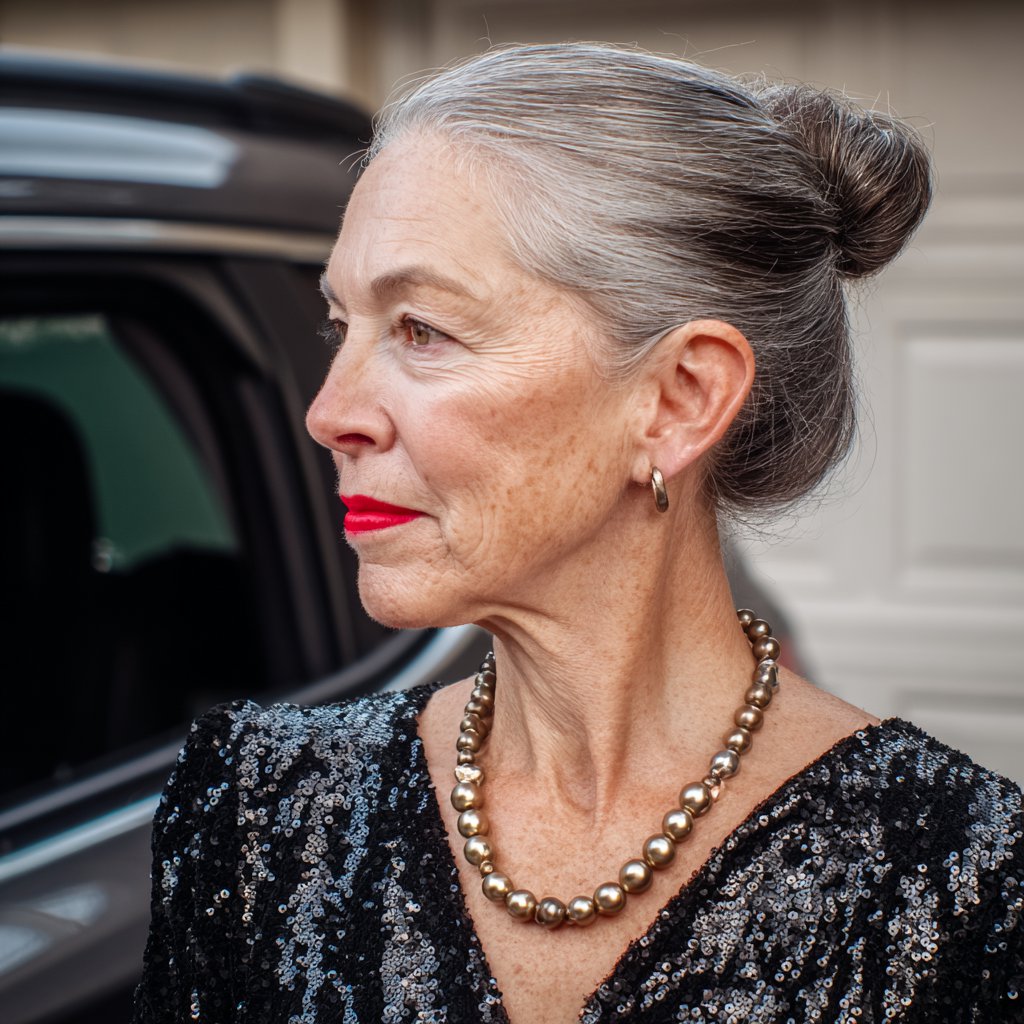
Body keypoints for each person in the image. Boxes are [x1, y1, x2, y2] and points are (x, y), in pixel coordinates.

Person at [132, 43, 1023, 1023]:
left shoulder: (959, 887)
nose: (330, 412)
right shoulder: (257, 812)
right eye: (339, 326)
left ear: (679, 398)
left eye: (421, 330)